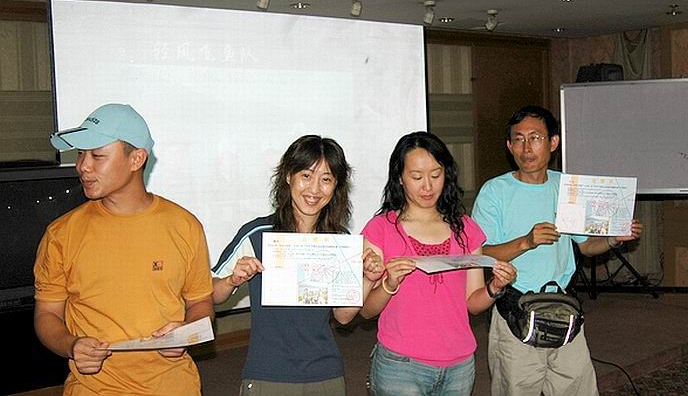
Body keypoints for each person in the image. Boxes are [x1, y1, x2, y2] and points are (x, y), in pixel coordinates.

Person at [34, 103, 214, 396]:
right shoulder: (61, 234)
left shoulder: (184, 225)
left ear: (136, 159)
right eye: (80, 154)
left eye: (97, 155)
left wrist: (186, 333)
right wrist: (72, 345)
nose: (83, 166)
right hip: (93, 389)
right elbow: (47, 315)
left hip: (173, 386)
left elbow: (201, 304)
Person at [471, 105, 643, 396]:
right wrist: (526, 242)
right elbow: (481, 255)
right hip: (516, 308)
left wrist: (614, 239)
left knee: (577, 388)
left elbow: (586, 246)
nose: (527, 148)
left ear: (553, 142)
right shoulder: (494, 192)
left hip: (563, 305)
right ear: (509, 146)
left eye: (535, 138)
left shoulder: (567, 187)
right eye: (519, 139)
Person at [211, 135, 384, 396]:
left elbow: (343, 315)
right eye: (306, 176)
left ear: (336, 186)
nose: (314, 189)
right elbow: (211, 294)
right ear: (288, 176)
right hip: (268, 372)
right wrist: (231, 281)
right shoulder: (257, 233)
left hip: (326, 373)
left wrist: (369, 278)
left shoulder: (338, 241)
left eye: (326, 179)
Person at [360, 131, 517, 396]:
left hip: (459, 364)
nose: (428, 186)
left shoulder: (466, 229)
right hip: (400, 364)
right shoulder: (380, 229)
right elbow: (366, 311)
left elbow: (472, 303)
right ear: (400, 178)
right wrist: (389, 283)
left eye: (436, 175)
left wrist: (495, 287)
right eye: (416, 177)